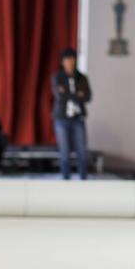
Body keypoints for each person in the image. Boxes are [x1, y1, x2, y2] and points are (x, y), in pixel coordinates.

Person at [51, 48, 92, 180]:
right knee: (64, 152)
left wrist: (68, 93)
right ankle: (66, 180)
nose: (69, 63)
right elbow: (60, 96)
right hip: (62, 118)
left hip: (78, 118)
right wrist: (76, 94)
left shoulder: (82, 78)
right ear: (63, 62)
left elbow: (87, 96)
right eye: (66, 60)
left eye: (71, 60)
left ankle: (83, 179)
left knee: (82, 151)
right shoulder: (58, 77)